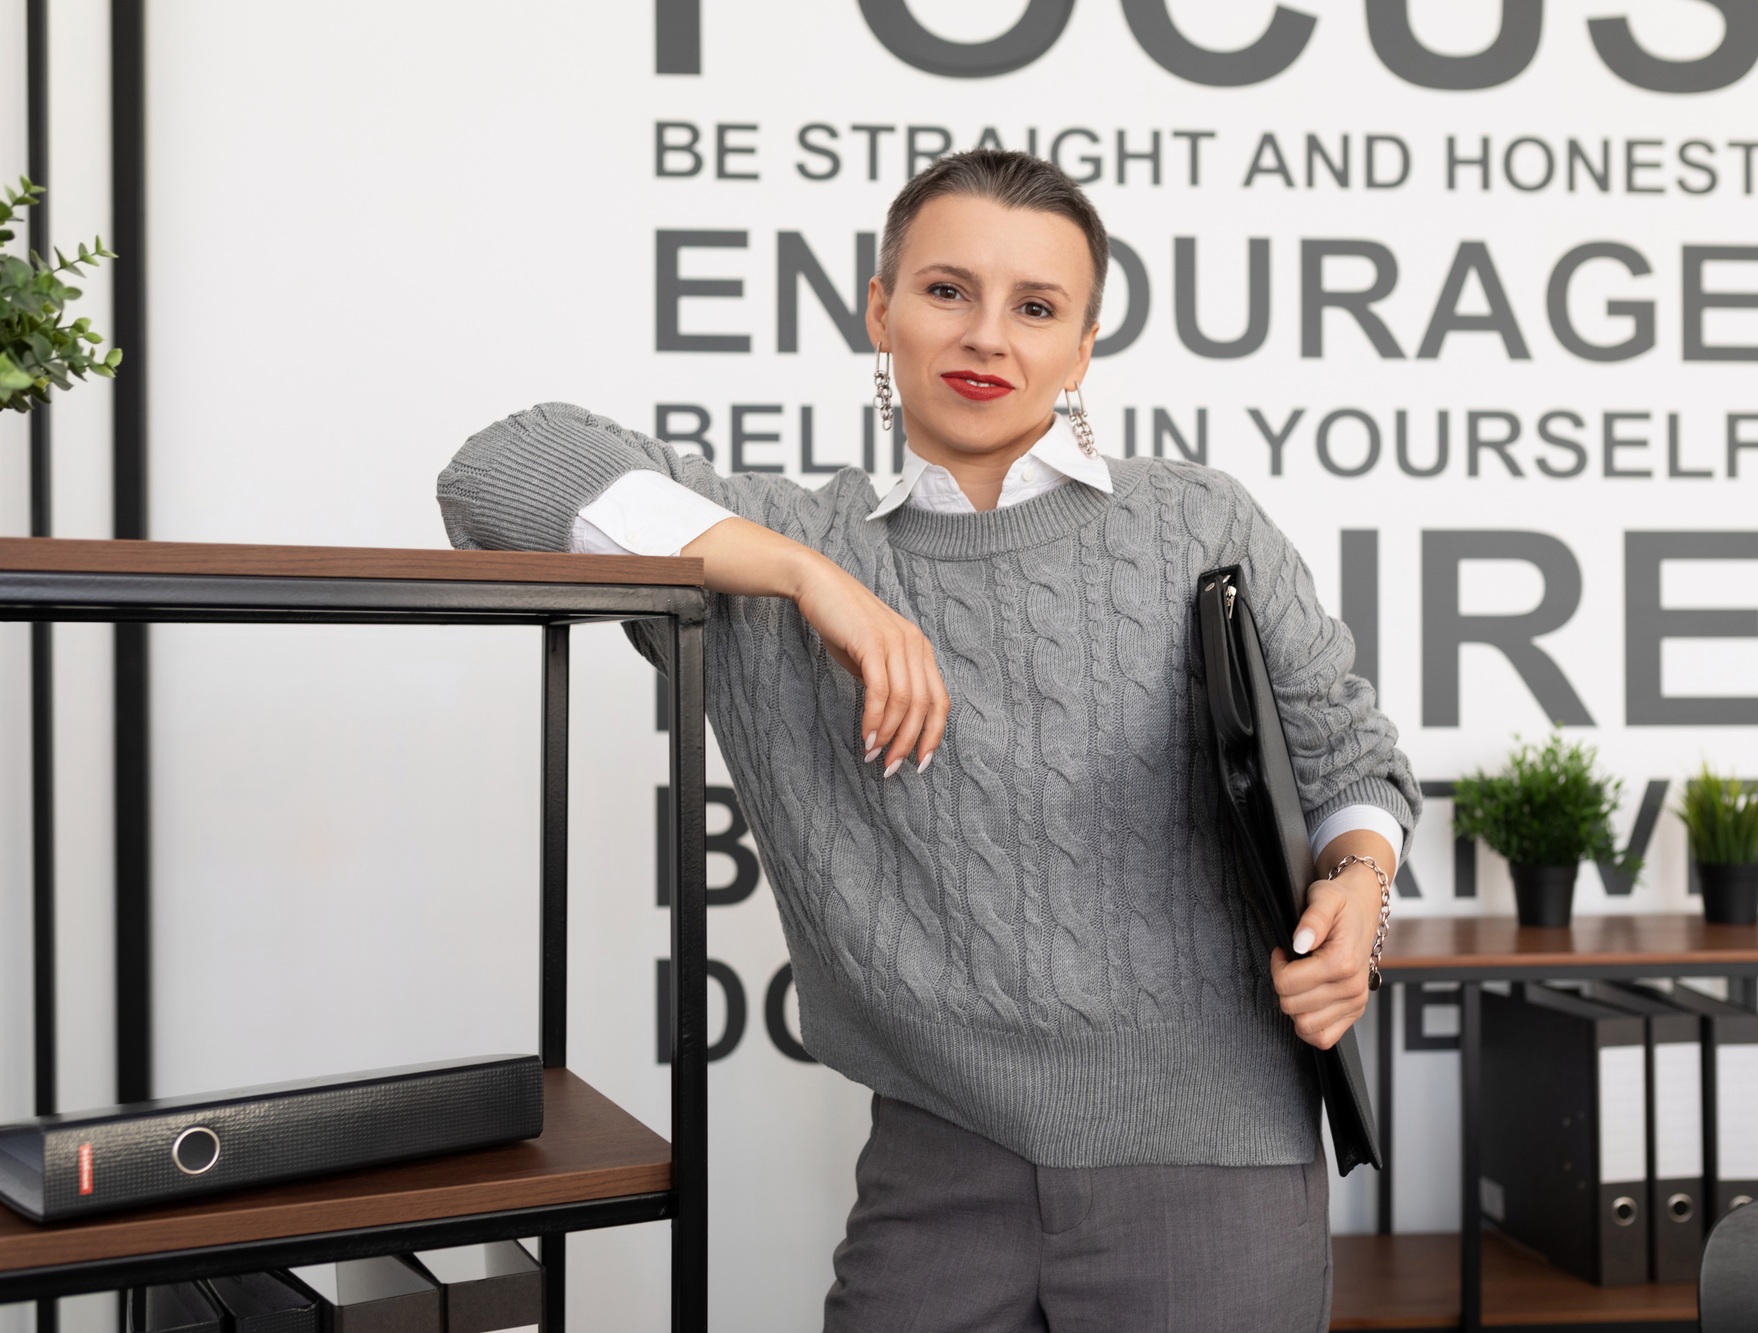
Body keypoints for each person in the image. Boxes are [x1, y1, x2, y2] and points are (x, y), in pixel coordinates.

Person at [438, 148, 1419, 1332]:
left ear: (1081, 347)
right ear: (880, 311)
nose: (987, 338)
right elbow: (498, 469)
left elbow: (1347, 763)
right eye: (947, 290)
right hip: (937, 1162)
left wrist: (1356, 887)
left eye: (1035, 307)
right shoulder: (777, 551)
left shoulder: (1193, 522)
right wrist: (807, 578)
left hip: (1211, 1155)